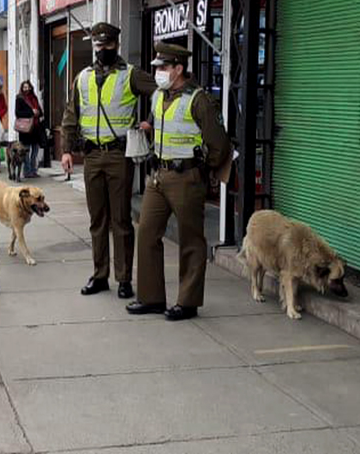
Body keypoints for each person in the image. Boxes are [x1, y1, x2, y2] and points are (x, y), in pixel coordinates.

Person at [126, 42, 231, 321]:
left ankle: (187, 302)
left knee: (191, 240)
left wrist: (200, 170)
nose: (158, 72)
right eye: (157, 67)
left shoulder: (200, 100)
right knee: (147, 232)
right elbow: (158, 125)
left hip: (187, 177)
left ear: (179, 69)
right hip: (158, 175)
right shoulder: (159, 96)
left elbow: (219, 144)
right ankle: (151, 298)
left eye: (163, 67)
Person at [60, 22, 157, 299]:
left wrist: (149, 122)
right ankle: (100, 275)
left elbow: (161, 95)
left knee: (121, 220)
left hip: (118, 154)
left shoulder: (131, 75)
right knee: (97, 220)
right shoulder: (83, 77)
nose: (102, 50)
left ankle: (124, 278)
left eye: (107, 45)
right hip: (91, 155)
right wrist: (67, 150)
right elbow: (71, 115)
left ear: (116, 44)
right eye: (98, 46)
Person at [15, 80, 43, 178]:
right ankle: (27, 172)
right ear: (22, 88)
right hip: (25, 129)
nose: (26, 89)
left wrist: (38, 112)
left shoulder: (34, 98)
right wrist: (31, 112)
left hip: (35, 128)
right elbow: (18, 113)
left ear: (31, 88)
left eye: (28, 87)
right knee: (26, 151)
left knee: (35, 151)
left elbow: (40, 111)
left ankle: (33, 170)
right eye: (24, 87)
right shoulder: (19, 98)